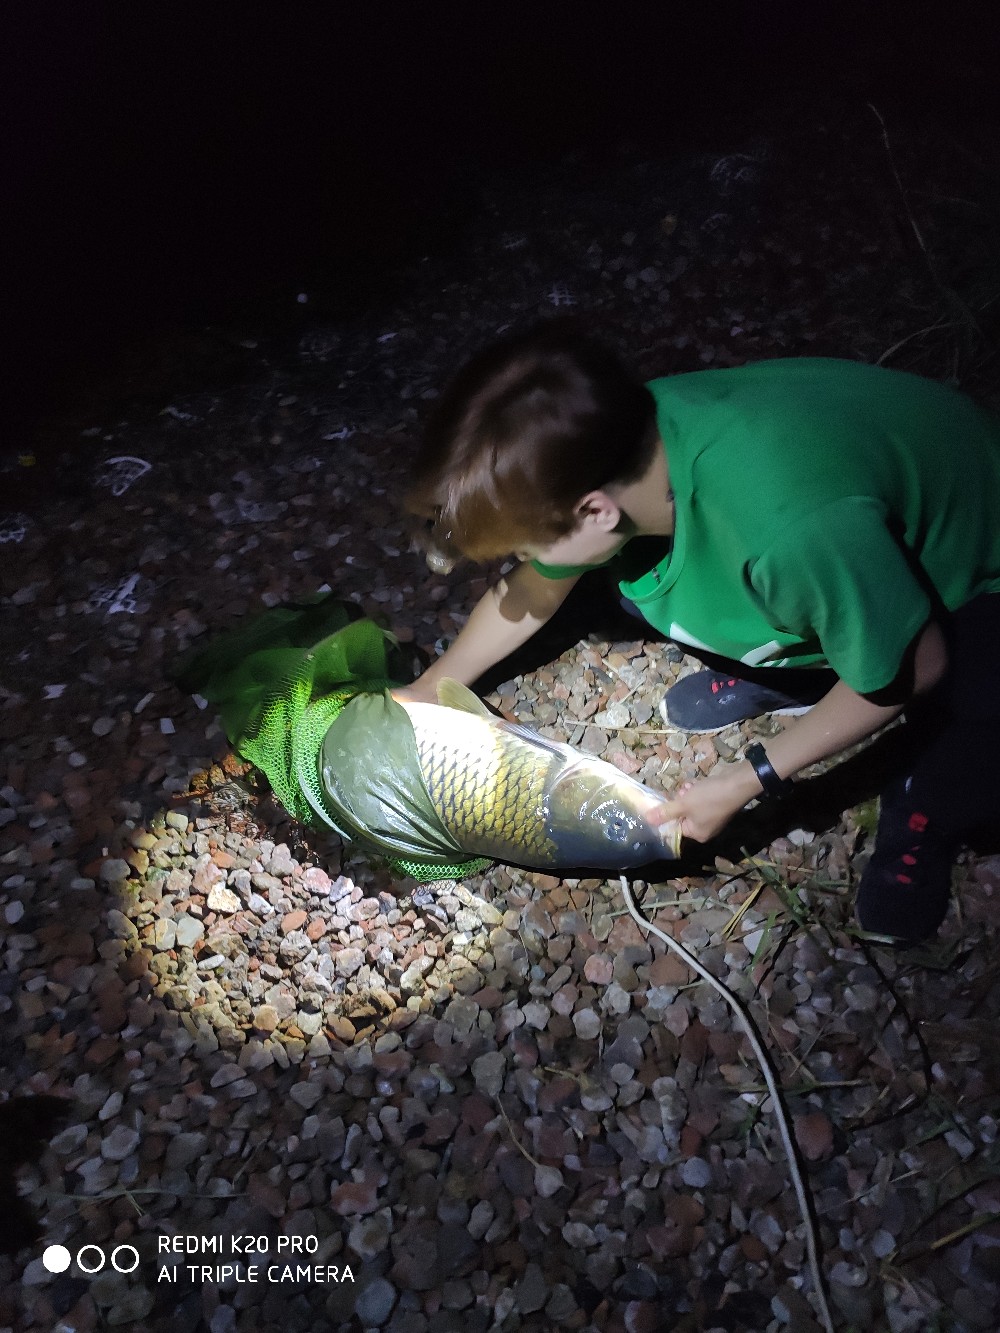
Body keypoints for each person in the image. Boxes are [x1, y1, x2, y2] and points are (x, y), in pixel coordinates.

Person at [403, 321, 1000, 944]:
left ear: (594, 509)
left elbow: (916, 667)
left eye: (525, 543)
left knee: (971, 708)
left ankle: (927, 804)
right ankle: (798, 658)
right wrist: (428, 687)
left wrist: (748, 780)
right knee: (634, 585)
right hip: (831, 561)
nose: (525, 560)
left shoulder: (788, 529)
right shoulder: (609, 441)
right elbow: (534, 588)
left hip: (974, 583)